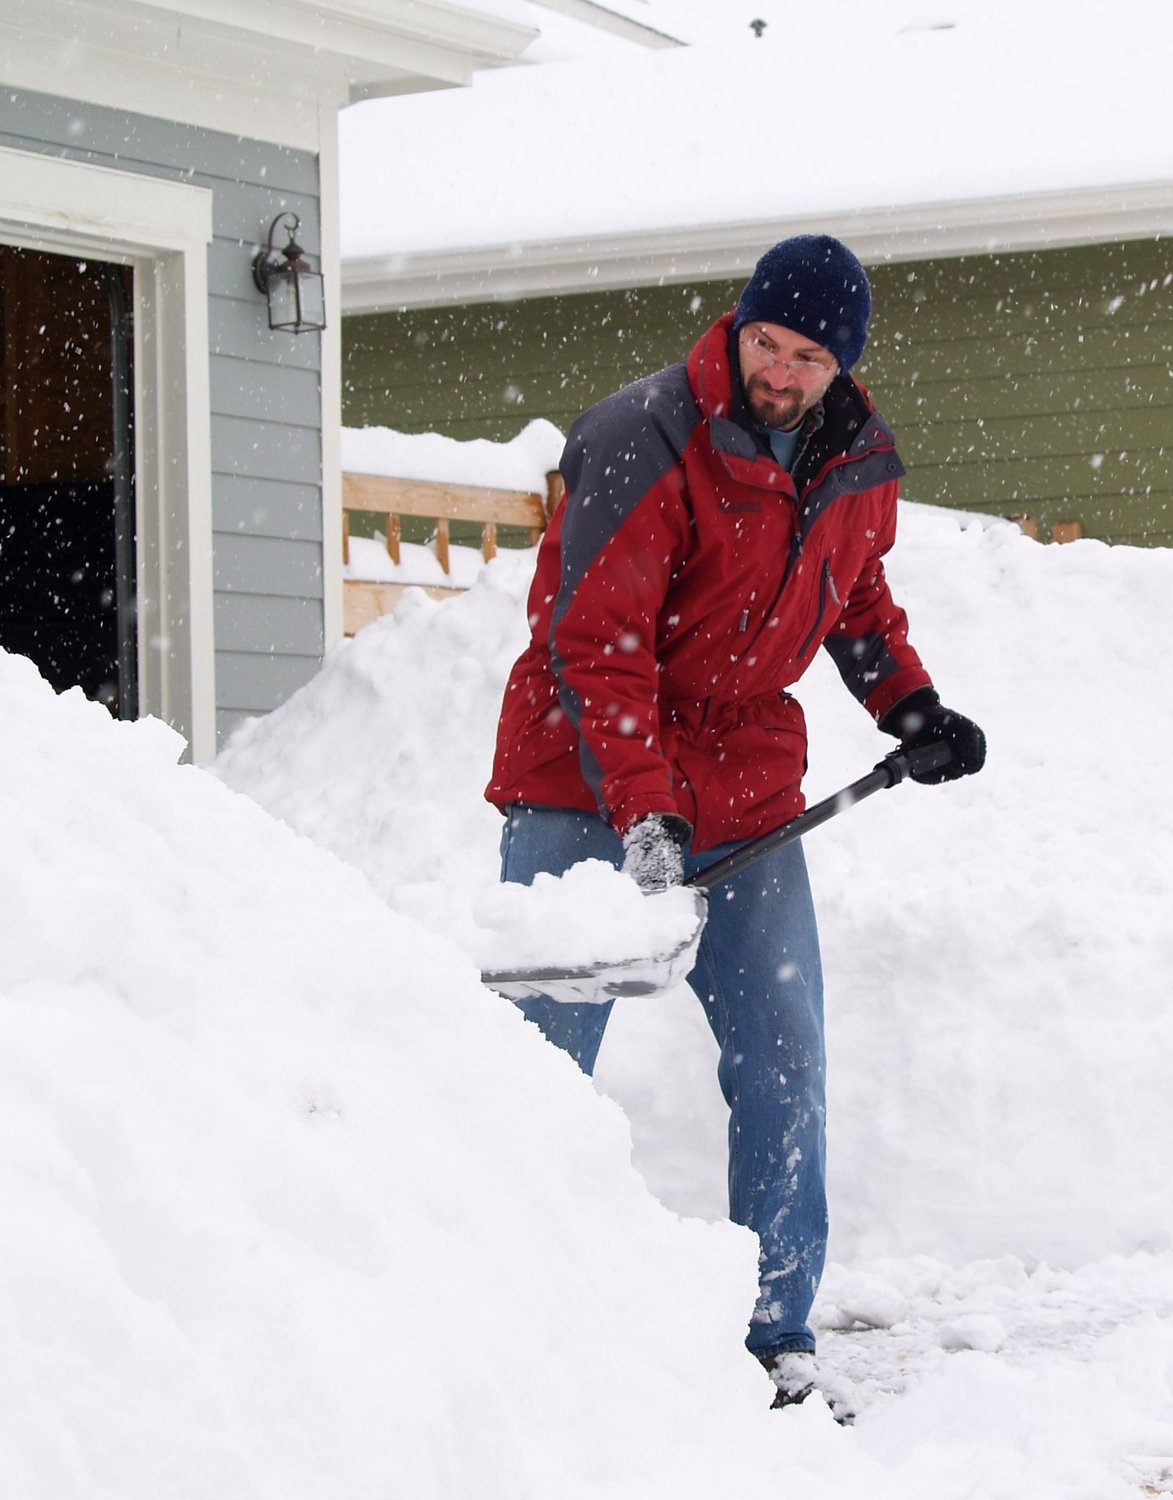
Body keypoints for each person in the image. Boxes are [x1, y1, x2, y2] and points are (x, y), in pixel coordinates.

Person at [486, 233, 986, 1408]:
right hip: (580, 777)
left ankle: (774, 1334)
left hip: (743, 785)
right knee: (533, 1069)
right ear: (739, 326)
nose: (780, 372)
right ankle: (507, 1321)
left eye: (808, 357)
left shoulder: (855, 457)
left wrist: (906, 703)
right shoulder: (643, 435)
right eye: (767, 344)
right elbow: (595, 647)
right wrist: (643, 813)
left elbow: (855, 595)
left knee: (782, 1060)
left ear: (841, 365)